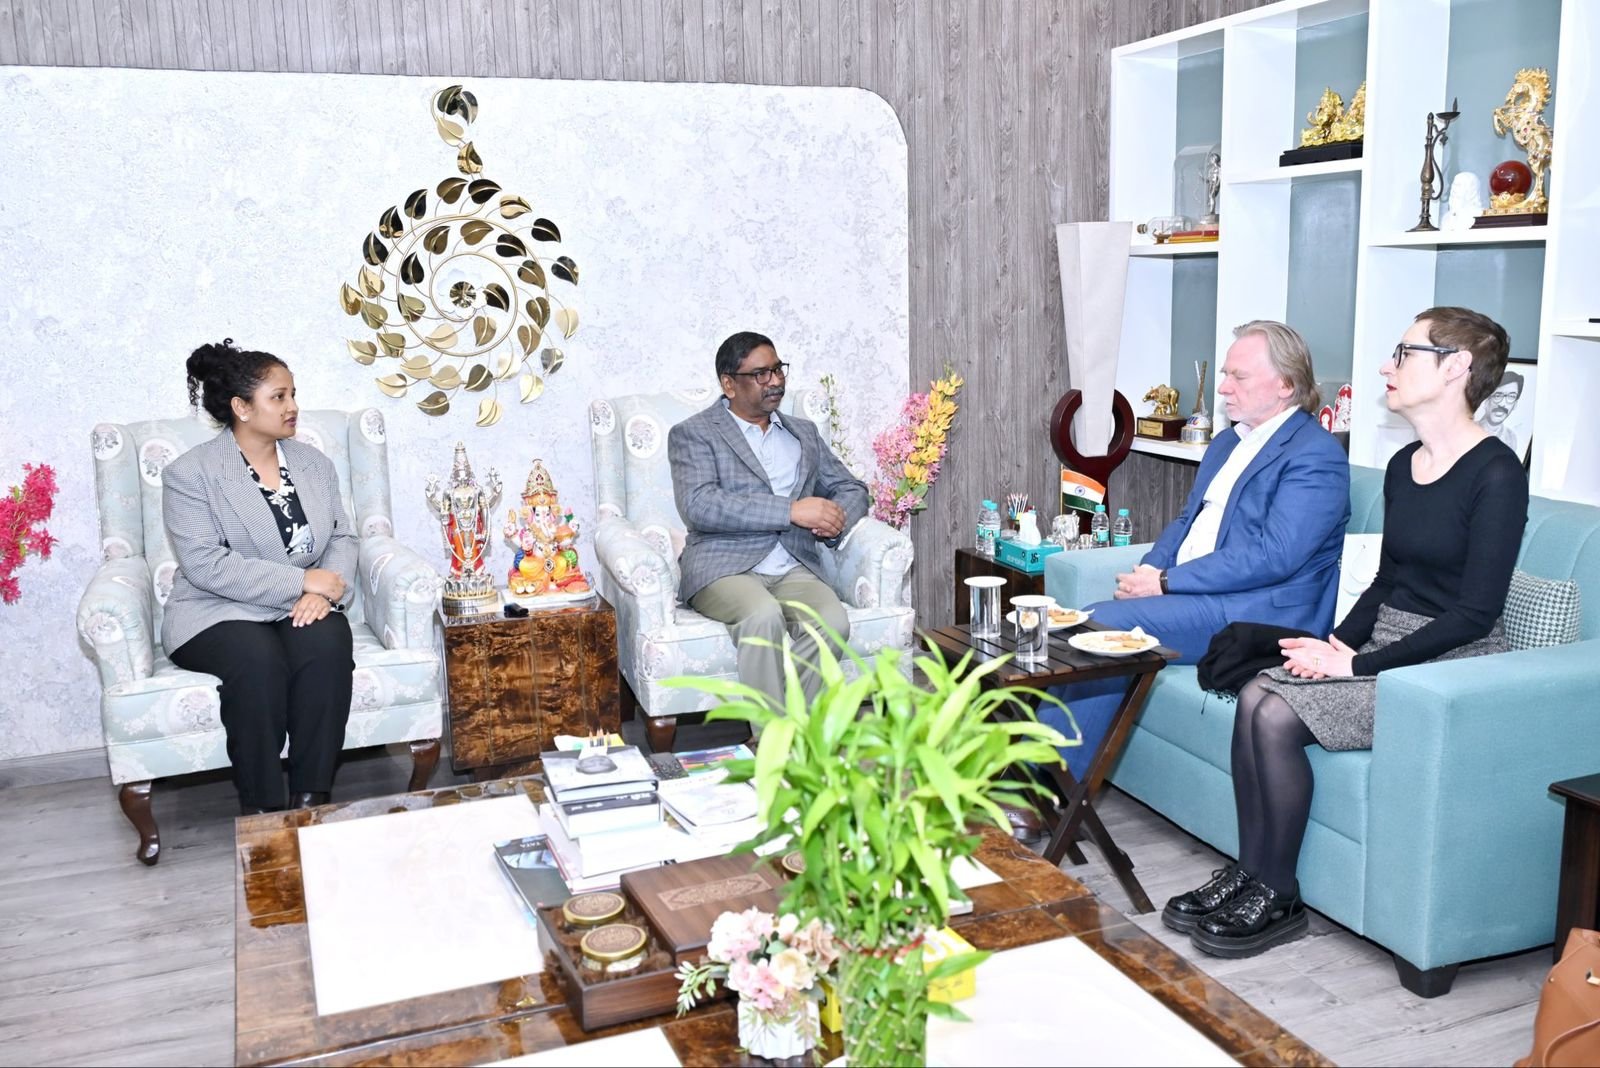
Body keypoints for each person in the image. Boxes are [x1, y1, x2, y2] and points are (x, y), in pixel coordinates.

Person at [1165, 307, 1527, 959]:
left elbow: (1474, 614)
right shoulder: (1404, 465)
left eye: (1405, 353)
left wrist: (1357, 667)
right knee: (1256, 692)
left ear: (1456, 368)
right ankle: (1252, 871)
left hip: (1452, 665)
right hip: (1388, 643)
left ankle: (1278, 895)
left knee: (1276, 714)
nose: (1388, 366)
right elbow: (1388, 581)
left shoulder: (1497, 474)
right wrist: (1337, 644)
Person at [1040, 321, 1350, 781]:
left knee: (1102, 627)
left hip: (1258, 613)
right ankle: (1035, 772)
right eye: (1225, 374)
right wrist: (1149, 569)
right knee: (1073, 626)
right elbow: (1188, 520)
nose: (1223, 388)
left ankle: (1051, 787)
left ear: (1285, 384)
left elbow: (1275, 555)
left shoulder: (1314, 454)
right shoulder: (1228, 442)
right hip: (1199, 594)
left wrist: (1166, 582)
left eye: (1238, 376)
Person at [162, 340, 357, 814]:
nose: (293, 407)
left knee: (328, 643)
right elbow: (205, 564)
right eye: (279, 397)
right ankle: (263, 809)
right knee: (258, 662)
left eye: (293, 394)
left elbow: (342, 536)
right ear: (242, 407)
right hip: (215, 608)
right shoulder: (191, 473)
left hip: (300, 602)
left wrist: (324, 592)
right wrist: (303, 582)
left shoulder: (313, 464)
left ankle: (311, 798)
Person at [669, 331, 868, 708]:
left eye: (778, 370)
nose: (775, 381)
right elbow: (700, 504)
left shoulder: (803, 433)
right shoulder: (694, 434)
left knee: (832, 622)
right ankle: (769, 735)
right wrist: (791, 510)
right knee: (763, 616)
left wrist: (832, 519)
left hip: (793, 565)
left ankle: (795, 730)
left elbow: (851, 487)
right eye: (761, 374)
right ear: (729, 384)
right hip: (724, 567)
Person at [1474, 368, 1524, 454]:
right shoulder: (1469, 431)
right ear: (1486, 400)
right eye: (1498, 395)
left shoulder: (1511, 438)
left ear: (1515, 404)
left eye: (1511, 397)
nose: (1502, 404)